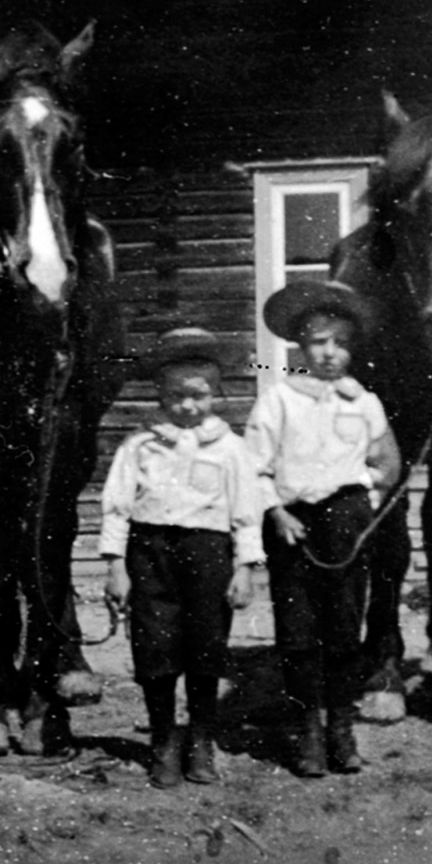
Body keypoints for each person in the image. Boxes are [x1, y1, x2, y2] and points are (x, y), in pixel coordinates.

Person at [246, 280, 402, 778]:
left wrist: (362, 507)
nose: (330, 353)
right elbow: (255, 467)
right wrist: (277, 512)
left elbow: (387, 464)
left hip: (345, 527)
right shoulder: (278, 400)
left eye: (341, 343)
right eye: (319, 342)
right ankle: (307, 731)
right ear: (299, 347)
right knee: (297, 635)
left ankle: (341, 728)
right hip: (293, 525)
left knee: (342, 632)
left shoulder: (364, 403)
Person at [98, 329, 265, 788]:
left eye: (198, 395)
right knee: (155, 649)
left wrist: (245, 568)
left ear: (217, 394)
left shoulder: (231, 449)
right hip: (150, 554)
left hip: (209, 555)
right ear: (160, 394)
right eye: (176, 396)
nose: (187, 406)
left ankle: (202, 741)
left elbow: (247, 515)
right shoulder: (139, 446)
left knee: (206, 649)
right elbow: (116, 507)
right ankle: (163, 742)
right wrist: (116, 567)